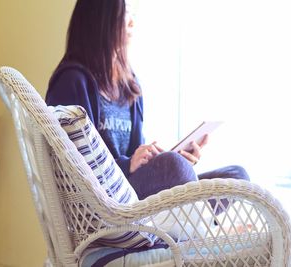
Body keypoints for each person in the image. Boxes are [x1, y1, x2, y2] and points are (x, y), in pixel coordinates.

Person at [45, 0, 249, 210]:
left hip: (134, 191)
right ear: (101, 20)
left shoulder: (129, 84)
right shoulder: (72, 81)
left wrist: (165, 159)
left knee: (236, 178)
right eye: (126, 13)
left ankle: (190, 222)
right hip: (106, 204)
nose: (132, 22)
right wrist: (129, 164)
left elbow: (137, 153)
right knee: (175, 168)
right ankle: (193, 223)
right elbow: (69, 169)